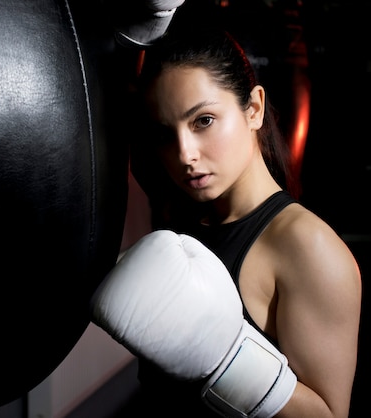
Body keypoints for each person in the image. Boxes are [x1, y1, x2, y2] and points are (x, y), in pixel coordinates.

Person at [91, 25, 362, 418]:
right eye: (166, 134)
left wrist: (225, 356)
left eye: (203, 121)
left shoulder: (308, 247)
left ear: (253, 109)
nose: (185, 154)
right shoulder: (183, 223)